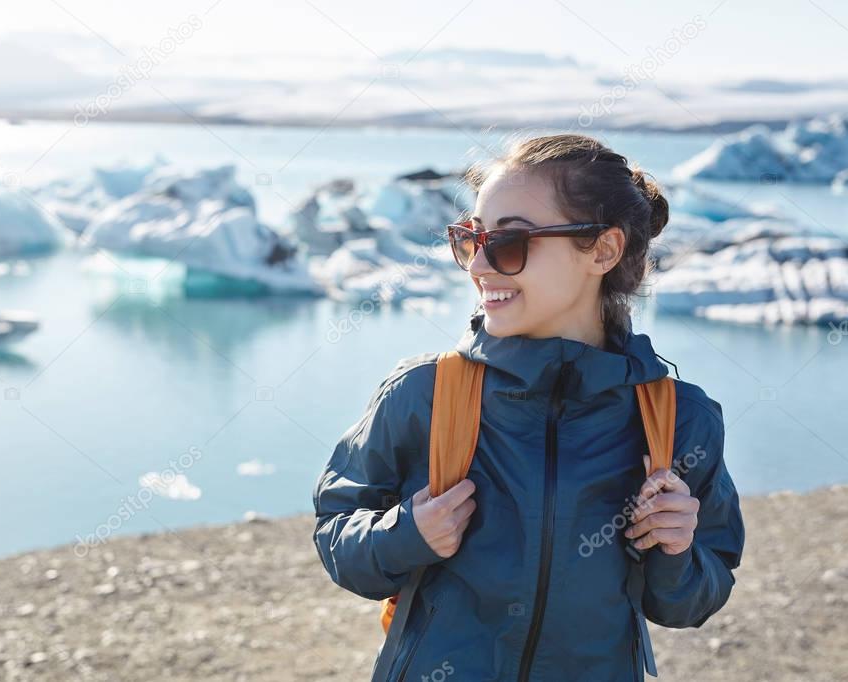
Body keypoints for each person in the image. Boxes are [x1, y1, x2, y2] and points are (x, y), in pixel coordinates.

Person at [311, 134, 745, 681]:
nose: (481, 266)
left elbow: (693, 601)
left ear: (603, 251)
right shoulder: (423, 394)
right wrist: (408, 533)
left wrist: (677, 551)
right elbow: (336, 533)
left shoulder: (679, 420)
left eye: (510, 242)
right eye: (471, 239)